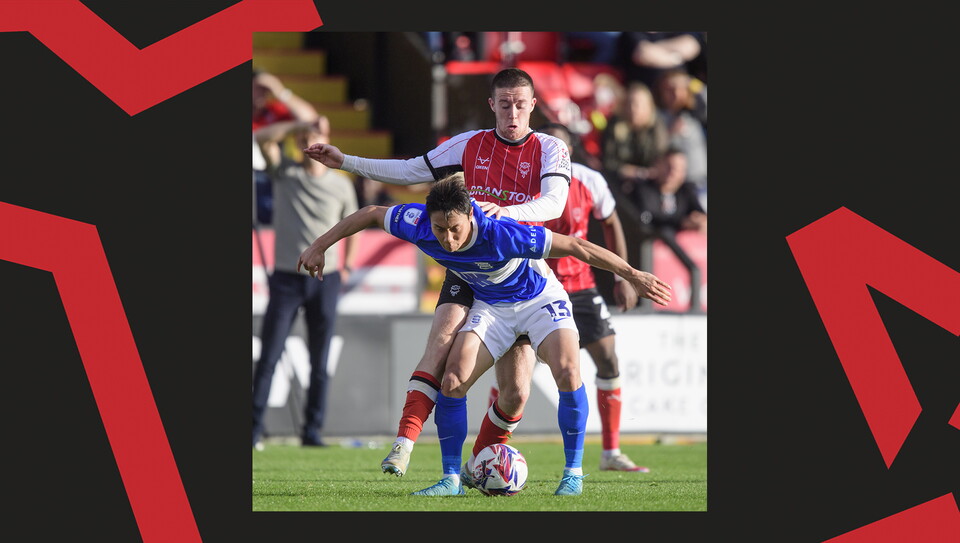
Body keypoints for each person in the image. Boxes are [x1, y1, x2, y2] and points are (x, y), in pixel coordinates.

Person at [297, 175, 672, 496]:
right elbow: (370, 213)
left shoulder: (501, 232)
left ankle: (573, 474)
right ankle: (450, 479)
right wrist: (319, 245)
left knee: (568, 371)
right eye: (440, 229)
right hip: (493, 307)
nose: (447, 239)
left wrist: (632, 274)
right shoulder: (418, 223)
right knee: (453, 379)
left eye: (455, 229)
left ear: (471, 215)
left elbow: (576, 246)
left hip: (539, 299)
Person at [301, 68, 572, 479]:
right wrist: (347, 162)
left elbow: (554, 203)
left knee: (516, 393)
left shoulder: (551, 148)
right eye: (504, 105)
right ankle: (404, 445)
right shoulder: (470, 144)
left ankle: (477, 464)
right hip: (466, 262)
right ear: (492, 105)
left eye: (520, 105)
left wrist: (506, 213)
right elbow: (410, 171)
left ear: (533, 105)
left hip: (516, 271)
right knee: (442, 347)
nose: (513, 113)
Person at [485, 122, 651, 472]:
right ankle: (489, 451)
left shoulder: (590, 181)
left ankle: (611, 452)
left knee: (608, 359)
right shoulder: (520, 181)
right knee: (515, 380)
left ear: (570, 151)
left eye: (559, 146)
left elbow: (611, 222)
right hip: (532, 288)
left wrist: (623, 276)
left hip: (580, 287)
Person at [252, 117, 359, 449]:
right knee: (269, 355)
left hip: (327, 278)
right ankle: (253, 430)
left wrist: (348, 265)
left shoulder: (340, 184)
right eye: (305, 136)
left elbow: (354, 222)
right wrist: (299, 123)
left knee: (319, 360)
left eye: (317, 134)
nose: (311, 140)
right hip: (287, 277)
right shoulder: (286, 172)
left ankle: (312, 431)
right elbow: (261, 138)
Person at [600, 81, 671, 201]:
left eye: (638, 104)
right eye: (629, 103)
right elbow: (607, 161)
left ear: (649, 107)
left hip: (649, 185)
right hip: (617, 181)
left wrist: (642, 173)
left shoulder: (657, 129)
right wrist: (626, 171)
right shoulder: (615, 124)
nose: (633, 108)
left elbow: (660, 162)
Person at [654, 68, 708, 200]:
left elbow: (705, 95)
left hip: (700, 180)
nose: (676, 94)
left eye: (680, 88)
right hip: (675, 185)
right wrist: (669, 133)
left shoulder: (695, 112)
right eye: (670, 89)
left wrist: (691, 81)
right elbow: (652, 150)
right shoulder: (656, 117)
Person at [634, 145, 707, 236]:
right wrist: (681, 223)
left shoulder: (686, 191)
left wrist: (698, 220)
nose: (671, 173)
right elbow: (645, 220)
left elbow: (700, 214)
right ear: (658, 166)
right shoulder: (644, 190)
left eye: (677, 169)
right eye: (668, 167)